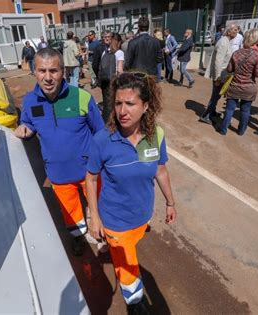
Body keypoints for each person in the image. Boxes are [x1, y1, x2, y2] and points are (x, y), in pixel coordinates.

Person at [85, 72, 177, 315]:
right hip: (115, 219)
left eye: (130, 103)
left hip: (142, 214)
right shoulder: (102, 141)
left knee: (129, 249)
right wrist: (94, 217)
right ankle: (135, 302)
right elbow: (91, 179)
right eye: (117, 103)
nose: (122, 110)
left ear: (146, 106)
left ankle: (115, 252)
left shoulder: (155, 136)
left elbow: (160, 170)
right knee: (127, 265)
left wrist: (170, 202)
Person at [15, 48, 105, 256]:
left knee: (98, 208)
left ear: (63, 71)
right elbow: (28, 121)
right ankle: (78, 239)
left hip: (89, 172)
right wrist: (25, 128)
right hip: (58, 174)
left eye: (53, 71)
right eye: (42, 71)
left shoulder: (81, 97)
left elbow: (99, 132)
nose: (48, 77)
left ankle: (102, 236)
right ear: (34, 72)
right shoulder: (30, 101)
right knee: (71, 214)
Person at [219, 28, 258, 135]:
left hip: (234, 85)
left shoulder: (236, 53)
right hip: (248, 87)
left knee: (229, 109)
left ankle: (223, 129)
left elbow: (229, 69)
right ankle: (241, 130)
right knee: (245, 110)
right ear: (257, 40)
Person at [200, 24, 238, 124]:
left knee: (216, 95)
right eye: (234, 29)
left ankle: (211, 112)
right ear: (228, 31)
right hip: (220, 74)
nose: (236, 31)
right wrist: (217, 78)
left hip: (222, 74)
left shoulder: (226, 41)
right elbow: (218, 61)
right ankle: (205, 116)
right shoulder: (224, 42)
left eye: (237, 30)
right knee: (215, 96)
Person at [98, 33, 124, 123]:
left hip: (104, 81)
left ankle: (105, 123)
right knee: (114, 104)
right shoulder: (119, 52)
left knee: (106, 104)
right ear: (119, 42)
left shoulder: (105, 52)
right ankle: (113, 124)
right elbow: (120, 71)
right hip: (114, 81)